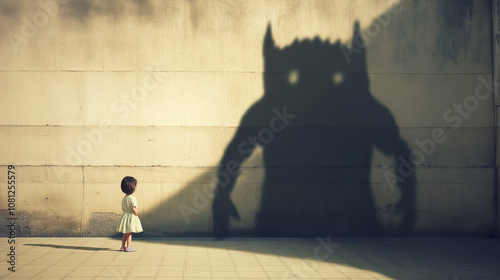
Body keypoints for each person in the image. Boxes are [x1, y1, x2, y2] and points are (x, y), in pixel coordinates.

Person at [116, 176, 143, 252]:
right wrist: (136, 214)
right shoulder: (132, 198)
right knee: (129, 232)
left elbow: (123, 209)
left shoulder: (124, 198)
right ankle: (128, 246)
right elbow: (133, 208)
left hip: (125, 216)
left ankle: (122, 247)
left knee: (125, 233)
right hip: (131, 216)